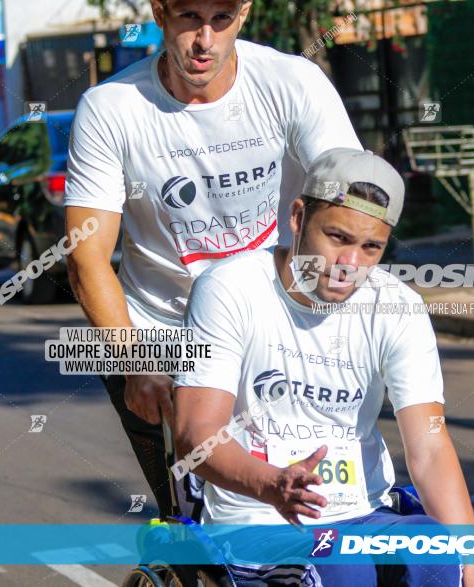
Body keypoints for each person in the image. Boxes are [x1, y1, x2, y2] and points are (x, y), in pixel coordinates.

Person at [63, 0, 361, 519]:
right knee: (202, 528)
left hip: (275, 329)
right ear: (159, 12)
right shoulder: (110, 107)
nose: (205, 40)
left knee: (311, 511)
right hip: (163, 338)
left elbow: (349, 206)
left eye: (220, 20)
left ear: (243, 14)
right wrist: (135, 362)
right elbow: (86, 256)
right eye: (187, 19)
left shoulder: (292, 83)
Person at [173, 148, 474, 586]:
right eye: (338, 238)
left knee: (436, 553)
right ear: (298, 217)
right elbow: (196, 432)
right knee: (344, 567)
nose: (350, 265)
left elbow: (430, 447)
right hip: (259, 518)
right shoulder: (229, 289)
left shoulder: (397, 307)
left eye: (370, 247)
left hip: (364, 514)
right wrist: (271, 484)